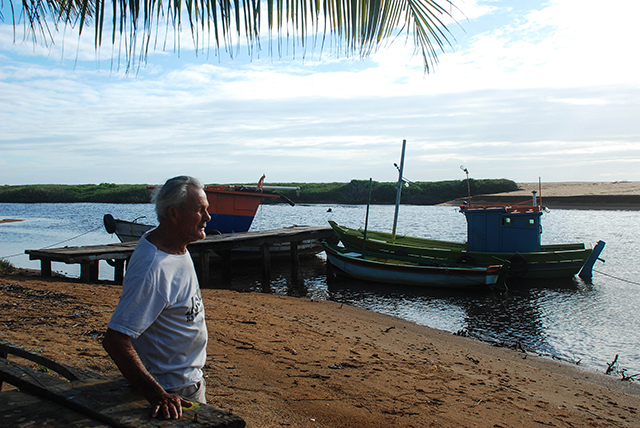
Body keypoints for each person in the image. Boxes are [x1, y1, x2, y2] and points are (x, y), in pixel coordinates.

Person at [103, 176, 211, 420]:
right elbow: (115, 340)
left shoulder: (176, 246)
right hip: (172, 388)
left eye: (207, 210)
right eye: (199, 211)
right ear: (173, 215)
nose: (208, 218)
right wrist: (157, 394)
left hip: (186, 380)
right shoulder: (153, 269)